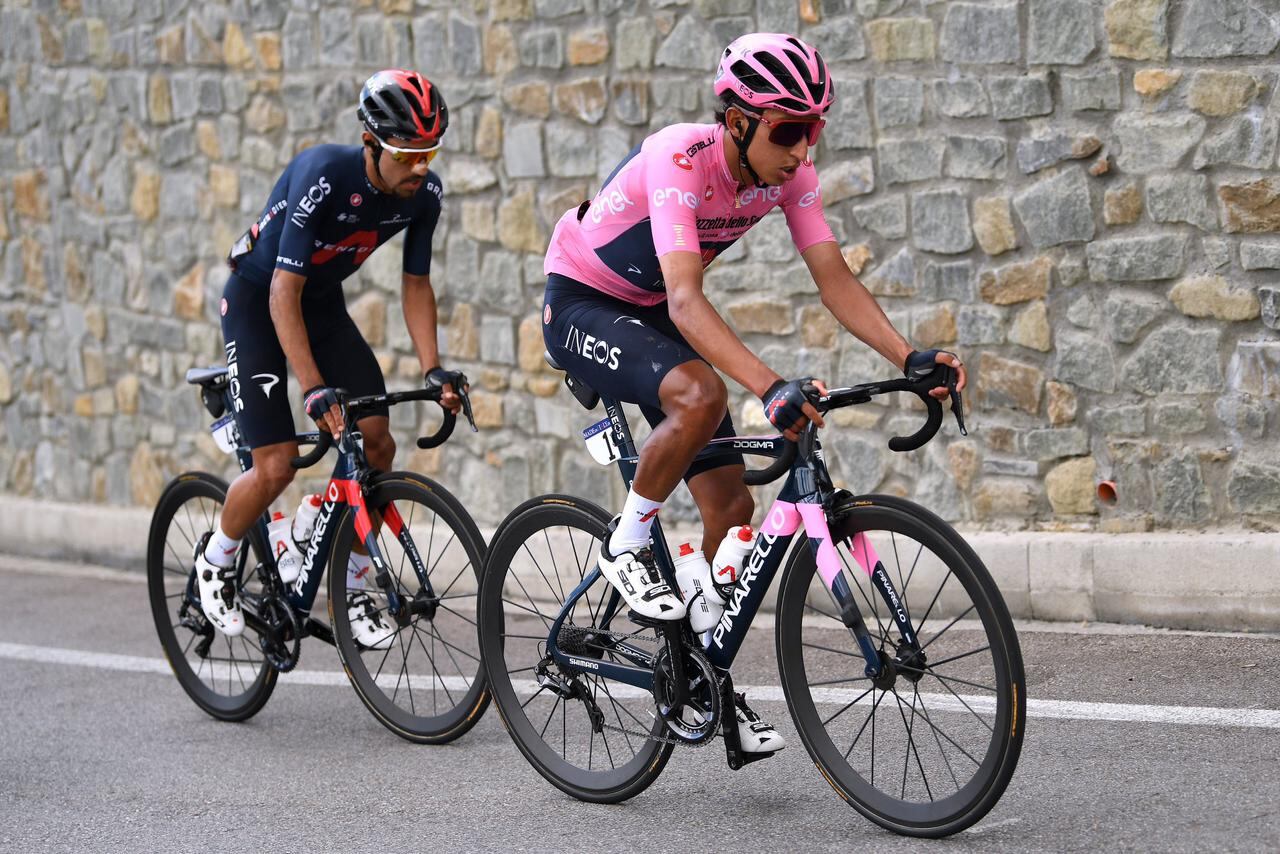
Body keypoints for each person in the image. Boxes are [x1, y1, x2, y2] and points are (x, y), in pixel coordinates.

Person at [541, 33, 966, 753]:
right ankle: (628, 538)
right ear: (737, 120)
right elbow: (684, 299)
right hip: (582, 300)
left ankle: (694, 671)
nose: (804, 148)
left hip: (650, 310)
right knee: (703, 394)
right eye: (788, 129)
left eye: (815, 130)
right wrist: (768, 385)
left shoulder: (787, 178)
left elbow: (832, 276)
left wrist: (909, 355)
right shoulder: (677, 157)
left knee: (733, 504)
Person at [195, 69, 465, 648]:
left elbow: (416, 284)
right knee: (276, 464)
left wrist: (432, 368)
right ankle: (216, 558)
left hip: (320, 304)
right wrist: (314, 388)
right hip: (258, 297)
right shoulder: (324, 175)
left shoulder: (424, 196)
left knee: (377, 443)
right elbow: (280, 294)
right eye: (407, 154)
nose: (421, 167)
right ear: (371, 144)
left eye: (430, 152)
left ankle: (352, 571)